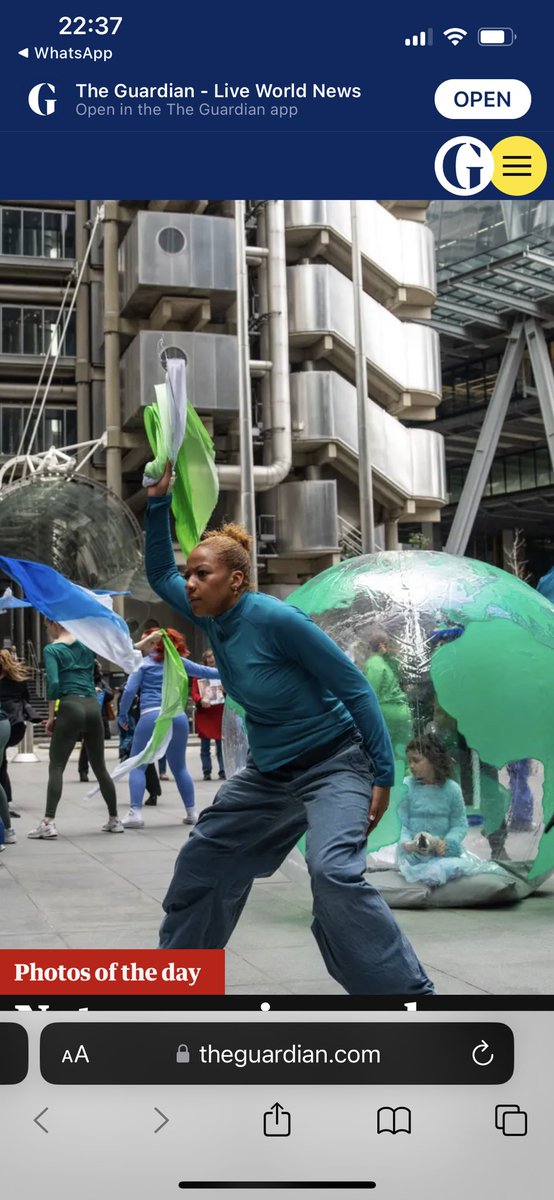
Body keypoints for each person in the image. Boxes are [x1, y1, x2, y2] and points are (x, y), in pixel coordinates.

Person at [144, 462, 434, 996]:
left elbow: (354, 688)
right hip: (270, 774)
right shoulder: (210, 615)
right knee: (205, 856)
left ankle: (406, 1000)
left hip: (334, 764)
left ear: (235, 580)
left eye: (200, 574)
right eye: (189, 573)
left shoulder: (277, 620)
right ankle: (178, 988)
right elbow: (158, 570)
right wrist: (158, 501)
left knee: (334, 876)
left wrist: (382, 775)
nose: (188, 583)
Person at [28, 619, 124, 839]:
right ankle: (114, 819)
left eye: (46, 627)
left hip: (70, 705)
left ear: (54, 623)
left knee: (57, 766)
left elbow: (53, 684)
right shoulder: (87, 644)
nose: (47, 631)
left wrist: (52, 716)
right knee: (100, 767)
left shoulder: (52, 649)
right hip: (92, 705)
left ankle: (48, 821)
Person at [117, 627, 220, 828]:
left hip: (151, 715)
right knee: (179, 766)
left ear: (154, 643)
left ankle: (135, 813)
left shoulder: (143, 664)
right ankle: (192, 812)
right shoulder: (178, 662)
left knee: (139, 763)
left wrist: (123, 714)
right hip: (177, 716)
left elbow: (129, 690)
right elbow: (208, 672)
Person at [396, 734, 468, 887]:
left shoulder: (452, 789)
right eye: (409, 761)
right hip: (412, 854)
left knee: (453, 867)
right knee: (413, 869)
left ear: (434, 760)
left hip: (441, 852)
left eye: (416, 760)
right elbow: (400, 823)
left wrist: (448, 844)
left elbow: (459, 824)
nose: (411, 766)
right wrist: (407, 844)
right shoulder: (406, 786)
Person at [0, 647, 34, 826]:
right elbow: (26, 698)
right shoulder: (18, 681)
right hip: (15, 725)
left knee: (2, 764)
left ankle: (5, 803)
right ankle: (7, 800)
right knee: (2, 762)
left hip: (2, 723)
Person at [191, 649, 225, 781]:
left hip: (219, 713)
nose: (211, 660)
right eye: (209, 658)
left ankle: (223, 770)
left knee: (220, 746)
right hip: (205, 713)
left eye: (213, 658)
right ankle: (207, 771)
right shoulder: (198, 675)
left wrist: (225, 689)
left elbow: (232, 689)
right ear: (205, 660)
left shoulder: (222, 673)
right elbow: (194, 693)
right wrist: (200, 700)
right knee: (205, 746)